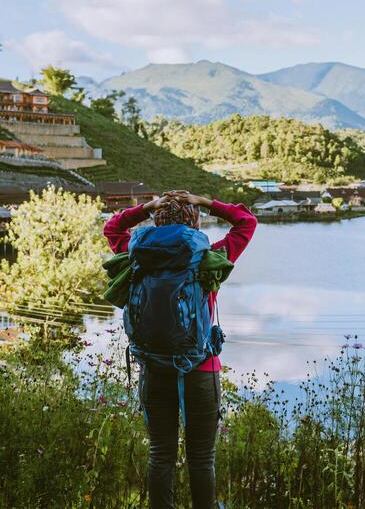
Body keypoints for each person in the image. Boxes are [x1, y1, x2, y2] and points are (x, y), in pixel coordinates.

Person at [104, 190, 257, 509]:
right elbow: (246, 221)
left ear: (157, 220)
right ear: (196, 222)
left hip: (154, 369)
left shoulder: (136, 258)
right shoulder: (209, 259)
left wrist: (146, 207)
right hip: (200, 369)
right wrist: (206, 201)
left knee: (161, 454)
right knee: (202, 459)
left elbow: (113, 228)